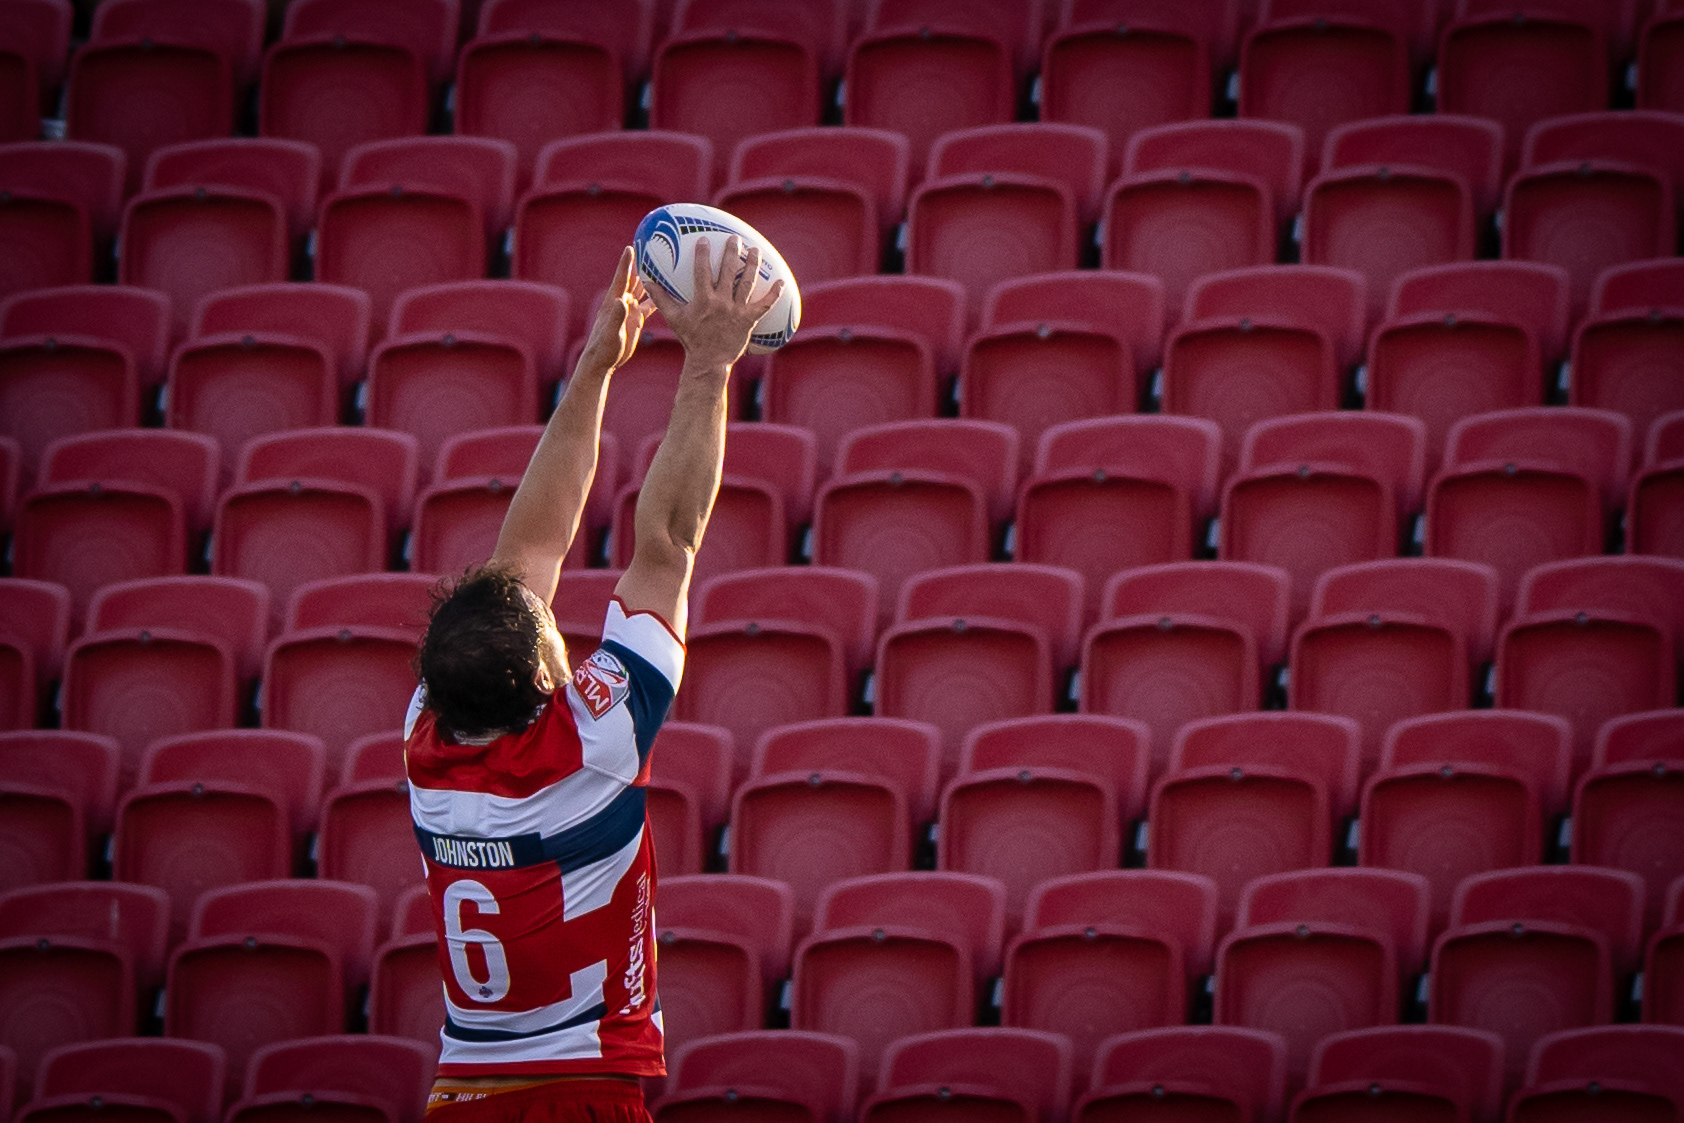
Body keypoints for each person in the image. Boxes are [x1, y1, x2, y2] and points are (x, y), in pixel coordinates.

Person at [404, 236, 783, 1121]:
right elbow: (669, 544)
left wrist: (596, 365)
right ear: (546, 675)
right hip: (583, 1089)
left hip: (460, 1094)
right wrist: (709, 363)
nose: (554, 617)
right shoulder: (594, 745)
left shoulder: (428, 736)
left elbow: (525, 553)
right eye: (551, 634)